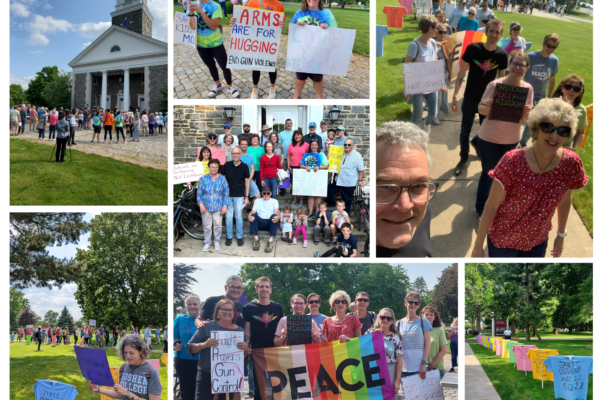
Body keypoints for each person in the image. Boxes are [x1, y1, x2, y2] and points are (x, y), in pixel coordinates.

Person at [471, 98, 588, 257]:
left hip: (537, 242)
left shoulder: (571, 163)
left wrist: (560, 236)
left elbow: (565, 200)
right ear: (536, 128)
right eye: (548, 127)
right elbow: (491, 206)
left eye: (563, 130)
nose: (554, 136)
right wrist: (478, 247)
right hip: (503, 242)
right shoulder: (512, 161)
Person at [475, 52, 533, 220]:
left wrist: (526, 113)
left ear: (527, 68)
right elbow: (480, 108)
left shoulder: (527, 88)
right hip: (488, 138)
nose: (518, 67)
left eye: (522, 65)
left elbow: (523, 119)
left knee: (503, 176)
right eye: (516, 63)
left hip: (511, 139)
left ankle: (497, 206)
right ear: (509, 63)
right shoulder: (495, 85)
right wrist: (489, 108)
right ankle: (481, 210)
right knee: (488, 174)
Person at [452, 19, 507, 176]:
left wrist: (500, 102)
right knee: (464, 131)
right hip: (470, 97)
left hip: (488, 101)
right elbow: (462, 73)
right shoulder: (473, 48)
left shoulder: (502, 55)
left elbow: (501, 81)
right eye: (491, 31)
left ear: (501, 35)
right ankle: (463, 159)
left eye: (497, 32)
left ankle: (476, 143)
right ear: (486, 32)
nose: (494, 35)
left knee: (486, 132)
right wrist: (455, 95)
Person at [188, 299, 250, 400]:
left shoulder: (239, 331)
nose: (227, 312)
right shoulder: (206, 326)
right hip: (207, 373)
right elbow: (190, 348)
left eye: (230, 310)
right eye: (224, 309)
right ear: (217, 311)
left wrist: (246, 349)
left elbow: (243, 355)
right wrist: (205, 344)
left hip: (231, 374)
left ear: (234, 313)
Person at [187, 0, 240, 98]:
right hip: (201, 44)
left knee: (225, 66)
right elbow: (192, 27)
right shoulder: (192, 5)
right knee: (211, 66)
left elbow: (214, 26)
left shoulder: (215, 6)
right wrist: (190, 13)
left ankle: (230, 87)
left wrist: (201, 12)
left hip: (216, 43)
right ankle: (218, 85)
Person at [88, 334, 162, 400]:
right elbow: (120, 394)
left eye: (131, 353)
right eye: (125, 352)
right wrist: (98, 389)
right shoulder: (123, 367)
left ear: (141, 351)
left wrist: (127, 393)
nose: (128, 356)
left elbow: (124, 393)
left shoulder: (152, 372)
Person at [244, 277, 283, 400]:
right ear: (256, 289)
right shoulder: (248, 308)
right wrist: (246, 346)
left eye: (267, 287)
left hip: (275, 351)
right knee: (259, 387)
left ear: (271, 290)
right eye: (261, 286)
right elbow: (247, 331)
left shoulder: (278, 308)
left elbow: (281, 329)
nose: (264, 289)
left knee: (277, 385)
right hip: (257, 352)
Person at [291, 0, 338, 99]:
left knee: (317, 79)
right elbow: (290, 30)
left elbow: (336, 33)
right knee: (300, 77)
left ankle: (319, 99)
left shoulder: (327, 14)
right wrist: (297, 26)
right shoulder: (299, 13)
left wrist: (326, 28)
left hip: (318, 55)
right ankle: (296, 96)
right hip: (302, 54)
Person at [520, 33, 559, 148]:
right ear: (543, 43)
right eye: (549, 45)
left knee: (533, 121)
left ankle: (523, 142)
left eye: (554, 47)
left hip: (540, 96)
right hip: (525, 93)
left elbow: (552, 78)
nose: (551, 49)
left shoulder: (554, 60)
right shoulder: (531, 56)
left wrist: (550, 95)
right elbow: (521, 73)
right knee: (519, 118)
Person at [406, 15, 441, 133]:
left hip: (431, 85)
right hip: (418, 87)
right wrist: (408, 87)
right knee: (417, 117)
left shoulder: (433, 43)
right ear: (430, 28)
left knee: (433, 112)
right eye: (436, 27)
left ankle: (426, 129)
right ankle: (410, 139)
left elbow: (435, 64)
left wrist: (440, 82)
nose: (437, 30)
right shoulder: (414, 46)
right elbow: (408, 67)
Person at [396, 291, 432, 380]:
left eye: (416, 303)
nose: (413, 305)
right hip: (403, 368)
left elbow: (428, 343)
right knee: (406, 394)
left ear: (419, 305)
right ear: (405, 303)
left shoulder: (424, 322)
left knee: (422, 394)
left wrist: (424, 364)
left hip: (419, 368)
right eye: (410, 302)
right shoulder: (399, 323)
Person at [367, 309, 403, 395]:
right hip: (373, 373)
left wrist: (397, 382)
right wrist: (374, 336)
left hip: (389, 373)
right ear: (378, 319)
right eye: (382, 317)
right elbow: (359, 347)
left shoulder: (396, 337)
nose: (385, 320)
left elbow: (399, 361)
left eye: (388, 318)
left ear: (392, 321)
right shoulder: (369, 333)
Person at [174, 294, 202, 400]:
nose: (192, 306)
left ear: (200, 305)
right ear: (185, 306)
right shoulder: (180, 319)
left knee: (201, 392)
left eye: (195, 304)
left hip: (202, 361)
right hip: (184, 360)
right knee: (186, 392)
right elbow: (174, 339)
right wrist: (175, 346)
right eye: (189, 304)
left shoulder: (207, 320)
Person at [197, 159, 229, 252]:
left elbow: (226, 193)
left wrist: (225, 205)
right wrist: (201, 204)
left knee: (218, 225)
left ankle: (217, 242)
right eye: (212, 167)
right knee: (206, 226)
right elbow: (199, 193)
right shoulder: (203, 178)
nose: (214, 169)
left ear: (218, 168)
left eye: (216, 167)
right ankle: (207, 242)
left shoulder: (223, 179)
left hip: (218, 207)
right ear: (209, 167)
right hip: (206, 207)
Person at [220, 147, 250, 246]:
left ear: (240, 154)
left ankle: (239, 237)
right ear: (231, 155)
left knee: (239, 217)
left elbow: (247, 182)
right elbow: (222, 179)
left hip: (239, 195)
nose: (235, 155)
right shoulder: (227, 165)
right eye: (234, 153)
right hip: (228, 195)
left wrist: (246, 196)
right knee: (228, 217)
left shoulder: (245, 166)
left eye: (237, 153)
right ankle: (229, 237)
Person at [550, 75, 587, 150]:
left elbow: (581, 132)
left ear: (580, 92)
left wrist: (575, 147)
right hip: (544, 146)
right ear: (562, 88)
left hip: (563, 151)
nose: (571, 90)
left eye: (576, 89)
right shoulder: (550, 103)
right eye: (568, 86)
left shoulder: (581, 110)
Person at [300, 140, 329, 217]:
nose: (314, 146)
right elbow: (301, 165)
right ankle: (310, 212)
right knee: (310, 195)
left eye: (315, 145)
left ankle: (316, 212)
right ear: (310, 146)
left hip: (319, 177)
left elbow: (327, 166)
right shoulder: (306, 155)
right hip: (309, 178)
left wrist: (319, 167)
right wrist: (306, 167)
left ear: (318, 146)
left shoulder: (322, 155)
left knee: (318, 195)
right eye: (312, 145)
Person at [248, 185, 280, 252]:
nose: (266, 195)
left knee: (274, 215)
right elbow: (253, 211)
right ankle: (256, 240)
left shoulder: (274, 201)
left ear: (270, 194)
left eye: (268, 193)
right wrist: (249, 215)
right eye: (264, 193)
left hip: (270, 223)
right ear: (262, 193)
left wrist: (279, 216)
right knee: (253, 215)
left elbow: (277, 210)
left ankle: (270, 241)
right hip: (260, 222)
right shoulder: (257, 201)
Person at [421, 305, 447, 378]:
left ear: (435, 317)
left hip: (436, 368)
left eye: (431, 315)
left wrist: (431, 365)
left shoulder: (439, 330)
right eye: (426, 314)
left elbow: (443, 350)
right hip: (420, 367)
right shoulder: (418, 330)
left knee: (436, 390)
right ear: (422, 316)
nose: (429, 316)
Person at [287, 130, 309, 207]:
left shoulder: (306, 145)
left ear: (302, 136)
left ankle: (302, 200)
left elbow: (309, 156)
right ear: (294, 137)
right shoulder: (291, 145)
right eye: (295, 135)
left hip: (302, 167)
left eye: (299, 135)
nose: (297, 136)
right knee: (294, 184)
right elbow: (288, 156)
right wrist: (288, 166)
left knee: (301, 184)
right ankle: (295, 199)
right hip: (293, 167)